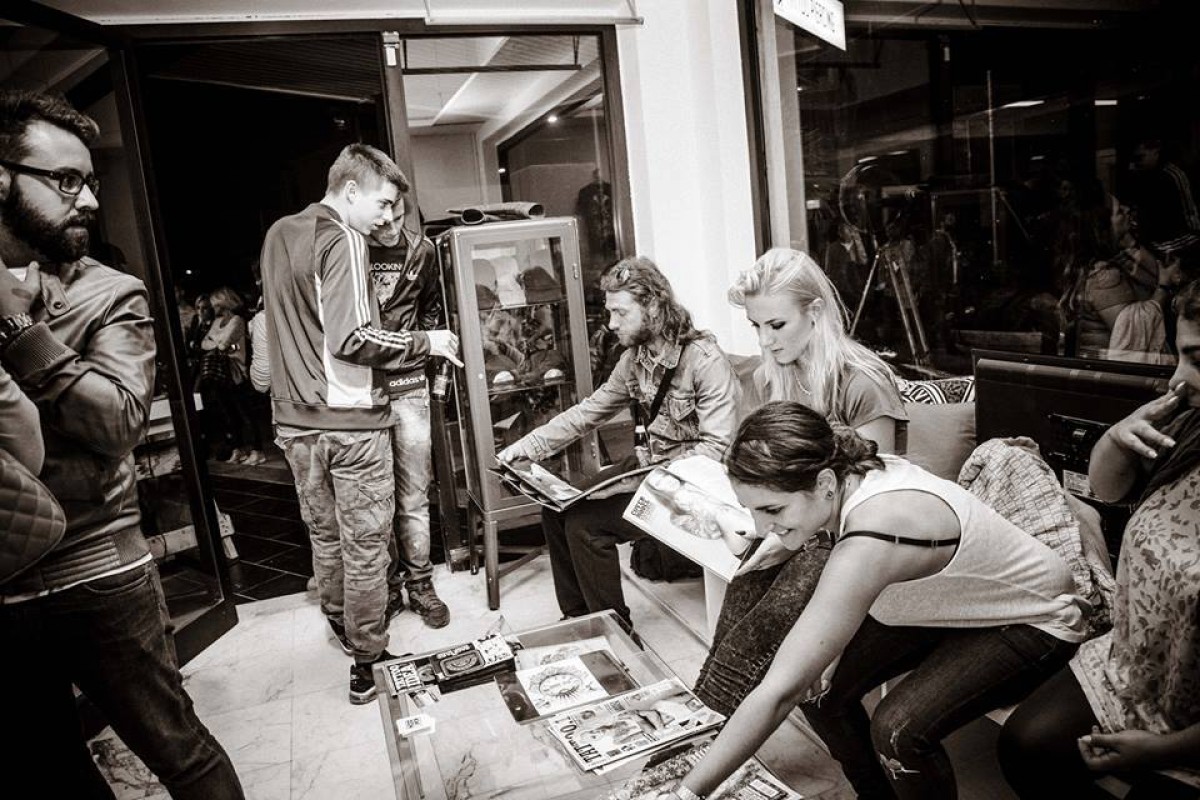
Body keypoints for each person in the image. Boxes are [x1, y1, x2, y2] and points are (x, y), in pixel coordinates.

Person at [0, 89, 244, 798]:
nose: (87, 201)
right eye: (65, 180)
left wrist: (20, 333)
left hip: (96, 564)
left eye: (89, 182)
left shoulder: (109, 292)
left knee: (179, 750)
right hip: (5, 581)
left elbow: (120, 424)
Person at [658, 402, 1087, 800]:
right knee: (820, 691)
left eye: (772, 510)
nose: (759, 526)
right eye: (752, 510)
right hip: (951, 602)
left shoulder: (872, 536)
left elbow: (778, 692)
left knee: (897, 729)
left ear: (824, 483)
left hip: (1033, 618)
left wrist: (686, 792)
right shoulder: (848, 472)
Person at [259, 142, 461, 704]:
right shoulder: (344, 238)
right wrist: (427, 342)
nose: (387, 217)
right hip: (349, 420)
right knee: (366, 545)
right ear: (351, 191)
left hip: (293, 422)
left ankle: (342, 624)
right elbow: (352, 339)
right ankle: (367, 661)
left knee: (325, 536)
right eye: (383, 203)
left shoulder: (277, 233)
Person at [998, 278, 1200, 800]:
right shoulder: (1192, 429)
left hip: (1191, 725)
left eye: (1198, 359)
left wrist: (1163, 751)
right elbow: (1108, 489)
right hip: (1134, 669)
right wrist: (1116, 436)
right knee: (1025, 748)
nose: (1179, 379)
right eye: (1180, 355)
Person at [695, 246, 907, 715]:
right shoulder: (773, 378)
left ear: (815, 313)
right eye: (756, 326)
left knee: (769, 622)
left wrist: (790, 543)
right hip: (808, 530)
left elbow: (874, 501)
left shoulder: (862, 382)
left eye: (776, 325)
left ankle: (709, 726)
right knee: (744, 587)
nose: (765, 340)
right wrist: (758, 526)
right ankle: (706, 717)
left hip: (860, 538)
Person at [496, 257, 740, 631]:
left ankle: (614, 631)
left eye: (620, 313)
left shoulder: (705, 361)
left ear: (653, 306)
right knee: (556, 510)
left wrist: (634, 481)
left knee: (585, 526)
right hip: (651, 465)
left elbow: (716, 451)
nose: (611, 324)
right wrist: (526, 447)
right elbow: (588, 412)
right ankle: (578, 619)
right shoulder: (633, 360)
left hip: (692, 486)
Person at [367, 194, 450, 628]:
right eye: (384, 219)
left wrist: (427, 365)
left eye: (400, 217)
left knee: (415, 494)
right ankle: (387, 585)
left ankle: (420, 583)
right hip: (364, 388)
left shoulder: (423, 251)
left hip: (410, 384)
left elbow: (433, 310)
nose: (391, 226)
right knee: (375, 497)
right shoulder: (351, 248)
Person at [199, 285, 264, 465]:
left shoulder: (237, 321)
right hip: (221, 373)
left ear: (224, 303)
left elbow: (222, 344)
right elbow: (204, 343)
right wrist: (220, 343)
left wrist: (217, 342)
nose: (213, 307)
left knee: (245, 412)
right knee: (229, 413)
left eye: (215, 304)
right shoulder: (217, 322)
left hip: (236, 372)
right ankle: (238, 448)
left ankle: (257, 450)